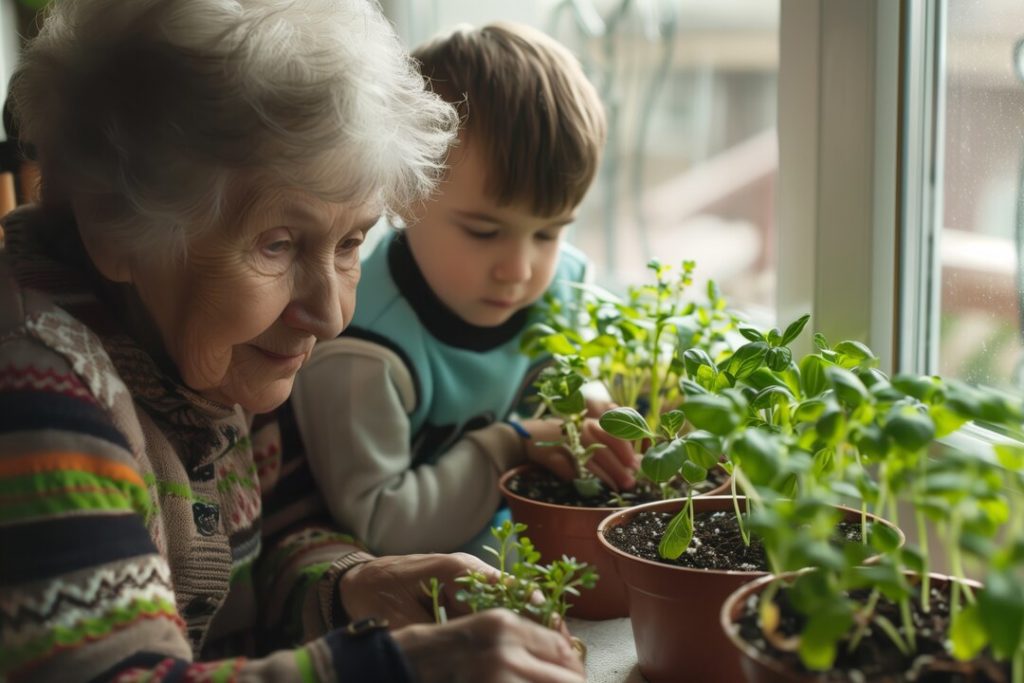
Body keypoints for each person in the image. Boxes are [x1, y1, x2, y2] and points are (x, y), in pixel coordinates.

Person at [0, 2, 587, 682]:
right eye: (277, 244)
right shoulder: (36, 393)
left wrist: (360, 583)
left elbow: (282, 535)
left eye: (350, 242)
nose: (331, 313)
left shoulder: (219, 351)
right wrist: (392, 668)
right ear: (116, 227)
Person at [290, 22, 638, 557]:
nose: (519, 270)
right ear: (404, 193)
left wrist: (591, 403)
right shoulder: (359, 346)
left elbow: (588, 381)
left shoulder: (561, 284)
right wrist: (510, 446)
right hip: (434, 594)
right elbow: (381, 524)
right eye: (484, 231)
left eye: (548, 232)